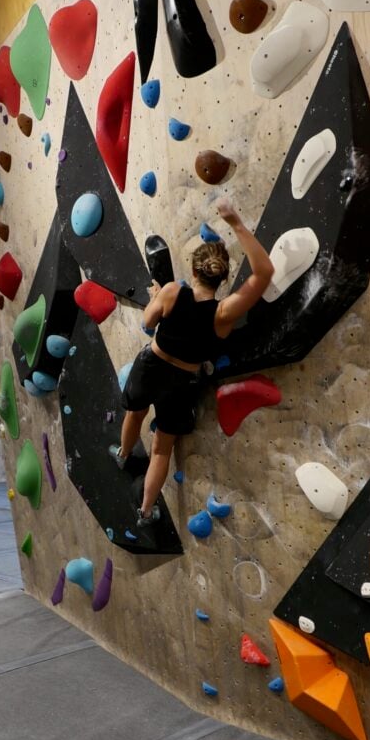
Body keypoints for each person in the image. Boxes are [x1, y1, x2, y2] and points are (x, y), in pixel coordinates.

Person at [110, 198, 274, 526]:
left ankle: (123, 455)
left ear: (195, 271)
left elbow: (147, 322)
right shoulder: (223, 313)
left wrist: (157, 298)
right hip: (182, 381)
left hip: (152, 365)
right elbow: (264, 272)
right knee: (162, 448)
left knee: (135, 413)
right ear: (222, 279)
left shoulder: (173, 292)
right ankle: (145, 512)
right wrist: (236, 222)